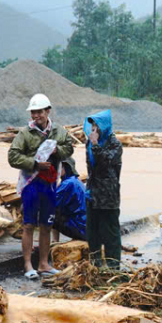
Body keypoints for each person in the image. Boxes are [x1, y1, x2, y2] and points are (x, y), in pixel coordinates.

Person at [8, 93, 73, 279]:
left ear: (48, 111)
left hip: (50, 185)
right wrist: (35, 164)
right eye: (33, 113)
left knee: (46, 224)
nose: (36, 116)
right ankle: (28, 265)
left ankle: (44, 264)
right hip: (31, 183)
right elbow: (12, 156)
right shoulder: (24, 133)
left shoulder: (59, 132)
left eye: (39, 112)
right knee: (28, 224)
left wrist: (56, 150)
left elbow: (69, 148)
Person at [83, 110, 123, 269]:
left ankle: (114, 268)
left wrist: (95, 145)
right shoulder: (89, 143)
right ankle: (96, 266)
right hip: (93, 193)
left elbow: (105, 162)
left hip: (108, 195)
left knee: (110, 233)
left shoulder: (115, 144)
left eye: (97, 127)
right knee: (93, 232)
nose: (94, 130)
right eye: (92, 127)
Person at [52, 158, 87, 242]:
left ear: (66, 168)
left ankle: (53, 241)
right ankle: (54, 241)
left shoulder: (68, 184)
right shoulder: (75, 181)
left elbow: (52, 203)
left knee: (48, 214)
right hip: (85, 225)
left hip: (81, 227)